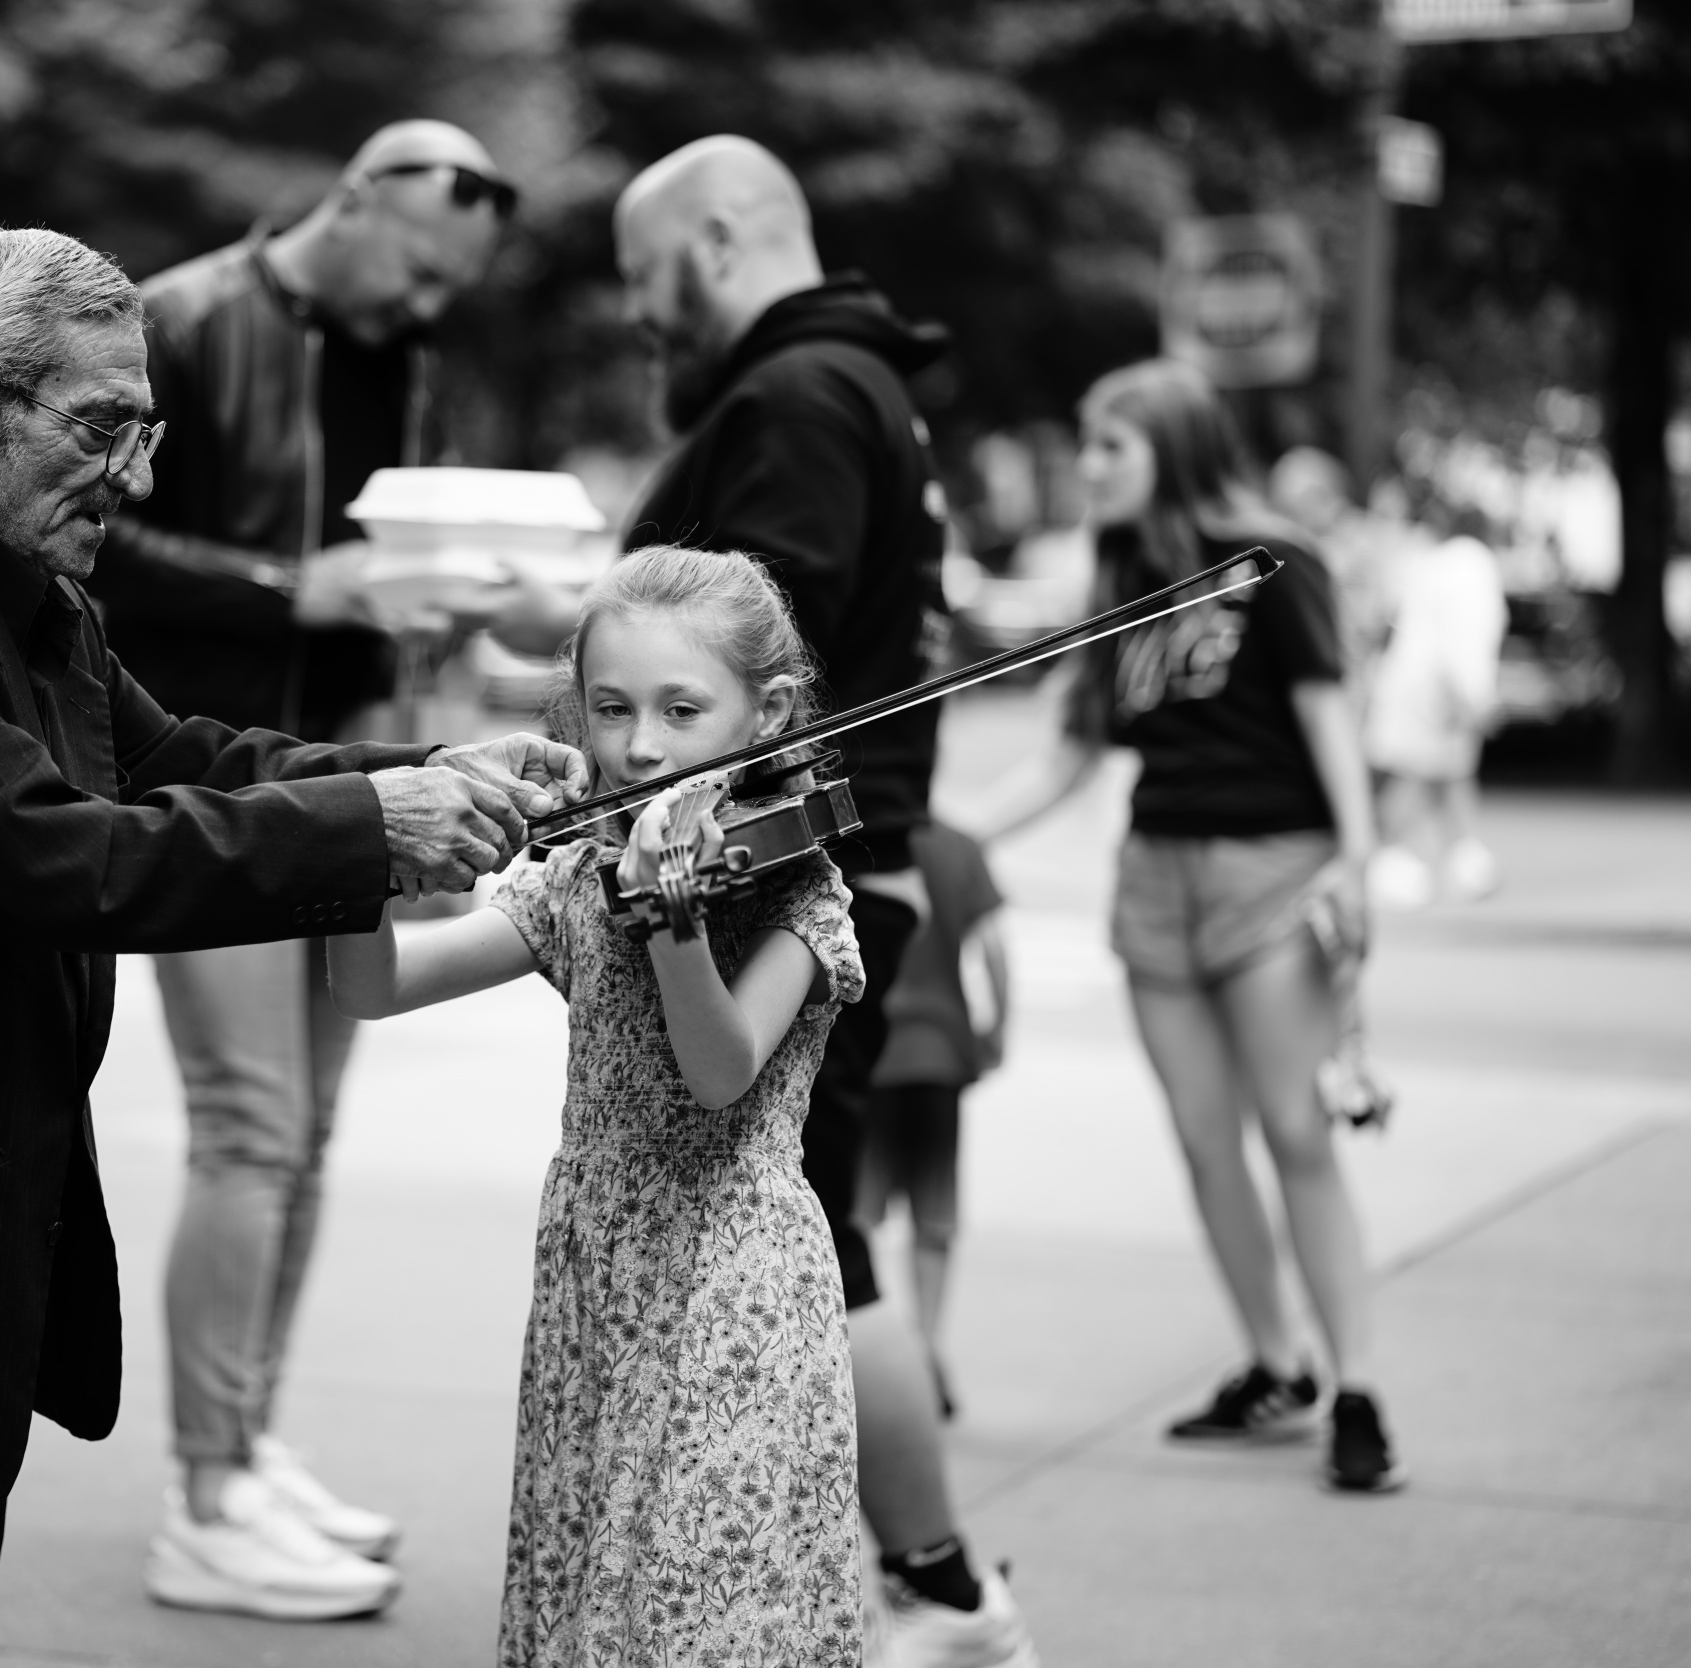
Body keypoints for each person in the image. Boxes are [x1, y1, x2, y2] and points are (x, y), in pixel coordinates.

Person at [0, 227, 584, 1665]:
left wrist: (441, 765)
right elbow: (60, 858)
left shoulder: (13, 572)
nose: (133, 474)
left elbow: (179, 757)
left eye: (143, 428)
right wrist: (373, 828)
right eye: (99, 428)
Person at [612, 135, 1038, 1666]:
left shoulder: (796, 395)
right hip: (839, 856)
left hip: (805, 875)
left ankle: (944, 1593)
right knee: (805, 1226)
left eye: (643, 274)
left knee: (808, 1237)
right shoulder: (851, 383)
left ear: (719, 241)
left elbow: (736, 665)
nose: (637, 314)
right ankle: (907, 1585)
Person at [84, 118, 517, 1614]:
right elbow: (90, 548)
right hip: (211, 776)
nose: (425, 307)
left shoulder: (406, 355)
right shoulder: (186, 322)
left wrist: (449, 615)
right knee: (252, 1127)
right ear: (355, 201)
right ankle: (203, 1493)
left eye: (450, 287)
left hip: (354, 776)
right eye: (417, 269)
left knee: (310, 1135)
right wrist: (292, 585)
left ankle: (247, 1452)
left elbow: (390, 558)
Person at [330, 546, 866, 1666]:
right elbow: (375, 987)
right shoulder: (584, 872)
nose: (640, 746)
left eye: (682, 709)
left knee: (698, 1611)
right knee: (587, 1601)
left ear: (765, 712)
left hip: (736, 1287)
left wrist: (675, 923)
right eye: (611, 708)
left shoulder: (797, 890)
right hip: (597, 1275)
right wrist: (356, 850)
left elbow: (718, 1074)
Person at [971, 358, 1404, 1493]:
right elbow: (1070, 753)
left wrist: (1355, 865)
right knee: (1206, 1139)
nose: (1089, 463)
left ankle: (1355, 1387)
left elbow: (1328, 717)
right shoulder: (1117, 574)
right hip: (1155, 879)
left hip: (1274, 873)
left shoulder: (1274, 561)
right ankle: (1275, 1364)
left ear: (1171, 443)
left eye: (1110, 444)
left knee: (1294, 1132)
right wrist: (953, 830)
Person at [857, 820, 1010, 1418]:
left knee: (858, 1213)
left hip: (871, 1055)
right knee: (934, 1217)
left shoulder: (863, 839)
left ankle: (872, 1349)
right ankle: (927, 1350)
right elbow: (994, 945)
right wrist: (999, 1024)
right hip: (939, 1053)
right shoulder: (959, 846)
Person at [1363, 511, 1507, 907]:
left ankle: (1463, 859)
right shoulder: (1473, 566)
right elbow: (1466, 635)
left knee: (1447, 774)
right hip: (1436, 694)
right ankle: (1392, 860)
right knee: (1417, 775)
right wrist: (1475, 696)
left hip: (1417, 686)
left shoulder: (1437, 562)